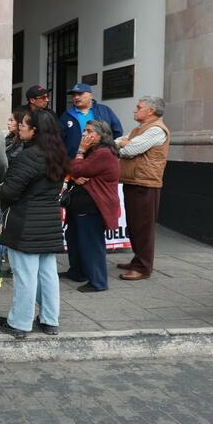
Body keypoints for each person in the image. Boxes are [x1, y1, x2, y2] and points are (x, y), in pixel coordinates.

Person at [0, 111, 67, 338]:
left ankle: (20, 323)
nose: (19, 127)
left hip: (25, 222)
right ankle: (50, 320)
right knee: (48, 274)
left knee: (25, 276)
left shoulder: (28, 156)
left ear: (35, 129)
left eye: (23, 124)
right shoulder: (58, 154)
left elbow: (10, 191)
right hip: (49, 222)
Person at [65, 119, 122, 293]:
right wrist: (75, 174)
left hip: (93, 205)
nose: (84, 134)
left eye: (89, 131)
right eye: (85, 130)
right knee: (74, 238)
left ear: (101, 135)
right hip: (81, 203)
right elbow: (73, 169)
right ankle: (78, 272)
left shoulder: (103, 153)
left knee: (91, 243)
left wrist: (80, 152)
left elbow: (77, 169)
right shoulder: (94, 151)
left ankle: (98, 281)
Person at [117, 96, 170, 281]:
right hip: (134, 181)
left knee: (143, 228)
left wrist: (125, 145)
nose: (135, 110)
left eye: (139, 107)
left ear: (151, 111)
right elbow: (117, 143)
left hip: (146, 184)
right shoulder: (138, 129)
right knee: (134, 226)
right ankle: (137, 260)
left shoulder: (156, 130)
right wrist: (125, 144)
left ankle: (143, 267)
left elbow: (130, 150)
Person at [59, 83, 122, 159]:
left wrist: (112, 150)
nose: (76, 97)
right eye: (74, 95)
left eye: (80, 94)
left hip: (101, 157)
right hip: (75, 158)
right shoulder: (66, 115)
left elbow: (117, 132)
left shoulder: (104, 110)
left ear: (91, 95)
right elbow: (59, 140)